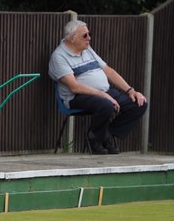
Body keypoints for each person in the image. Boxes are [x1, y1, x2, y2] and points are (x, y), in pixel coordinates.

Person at [49, 20, 148, 154]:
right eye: (85, 35)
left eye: (89, 34)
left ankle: (104, 135)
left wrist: (131, 91)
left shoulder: (87, 50)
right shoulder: (59, 57)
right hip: (76, 97)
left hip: (104, 92)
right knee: (106, 104)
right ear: (72, 38)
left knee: (138, 104)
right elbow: (74, 87)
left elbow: (109, 71)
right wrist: (103, 95)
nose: (89, 38)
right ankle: (95, 141)